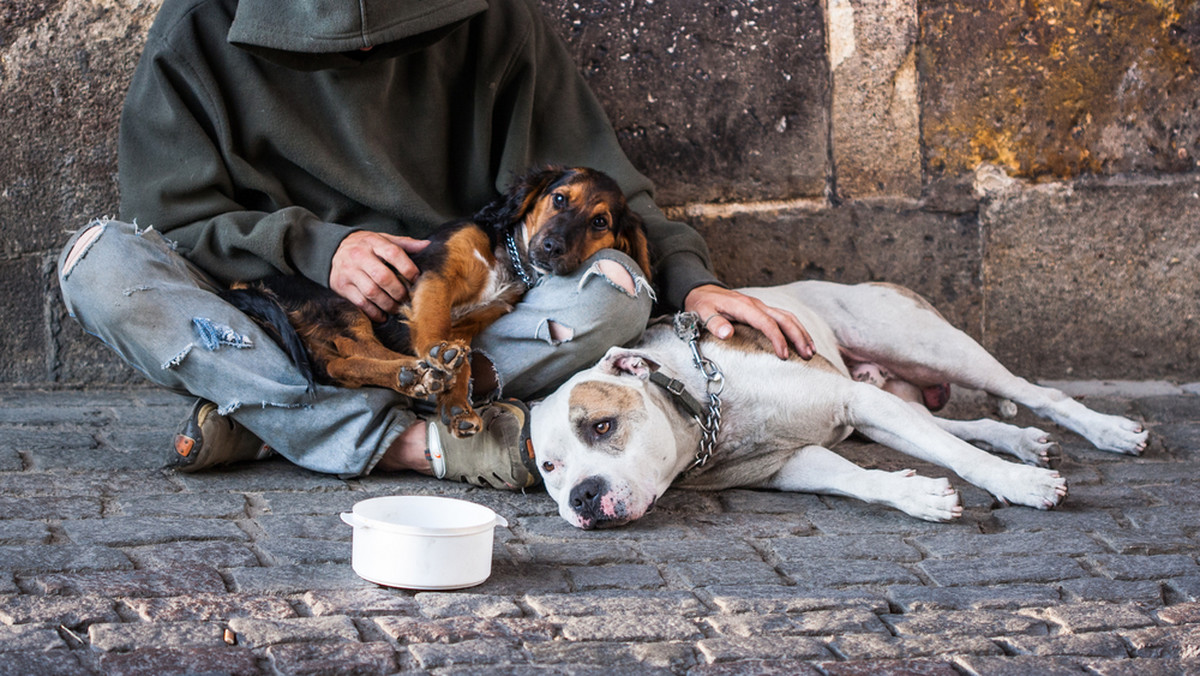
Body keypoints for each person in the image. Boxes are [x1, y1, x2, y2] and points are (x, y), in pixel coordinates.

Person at [57, 0, 813, 489]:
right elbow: (173, 224)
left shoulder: (496, 18)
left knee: (613, 292)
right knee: (97, 266)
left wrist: (689, 282)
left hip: (458, 327)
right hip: (274, 316)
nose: (363, 54)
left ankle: (270, 420)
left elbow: (605, 188)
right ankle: (427, 448)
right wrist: (316, 247)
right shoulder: (197, 23)